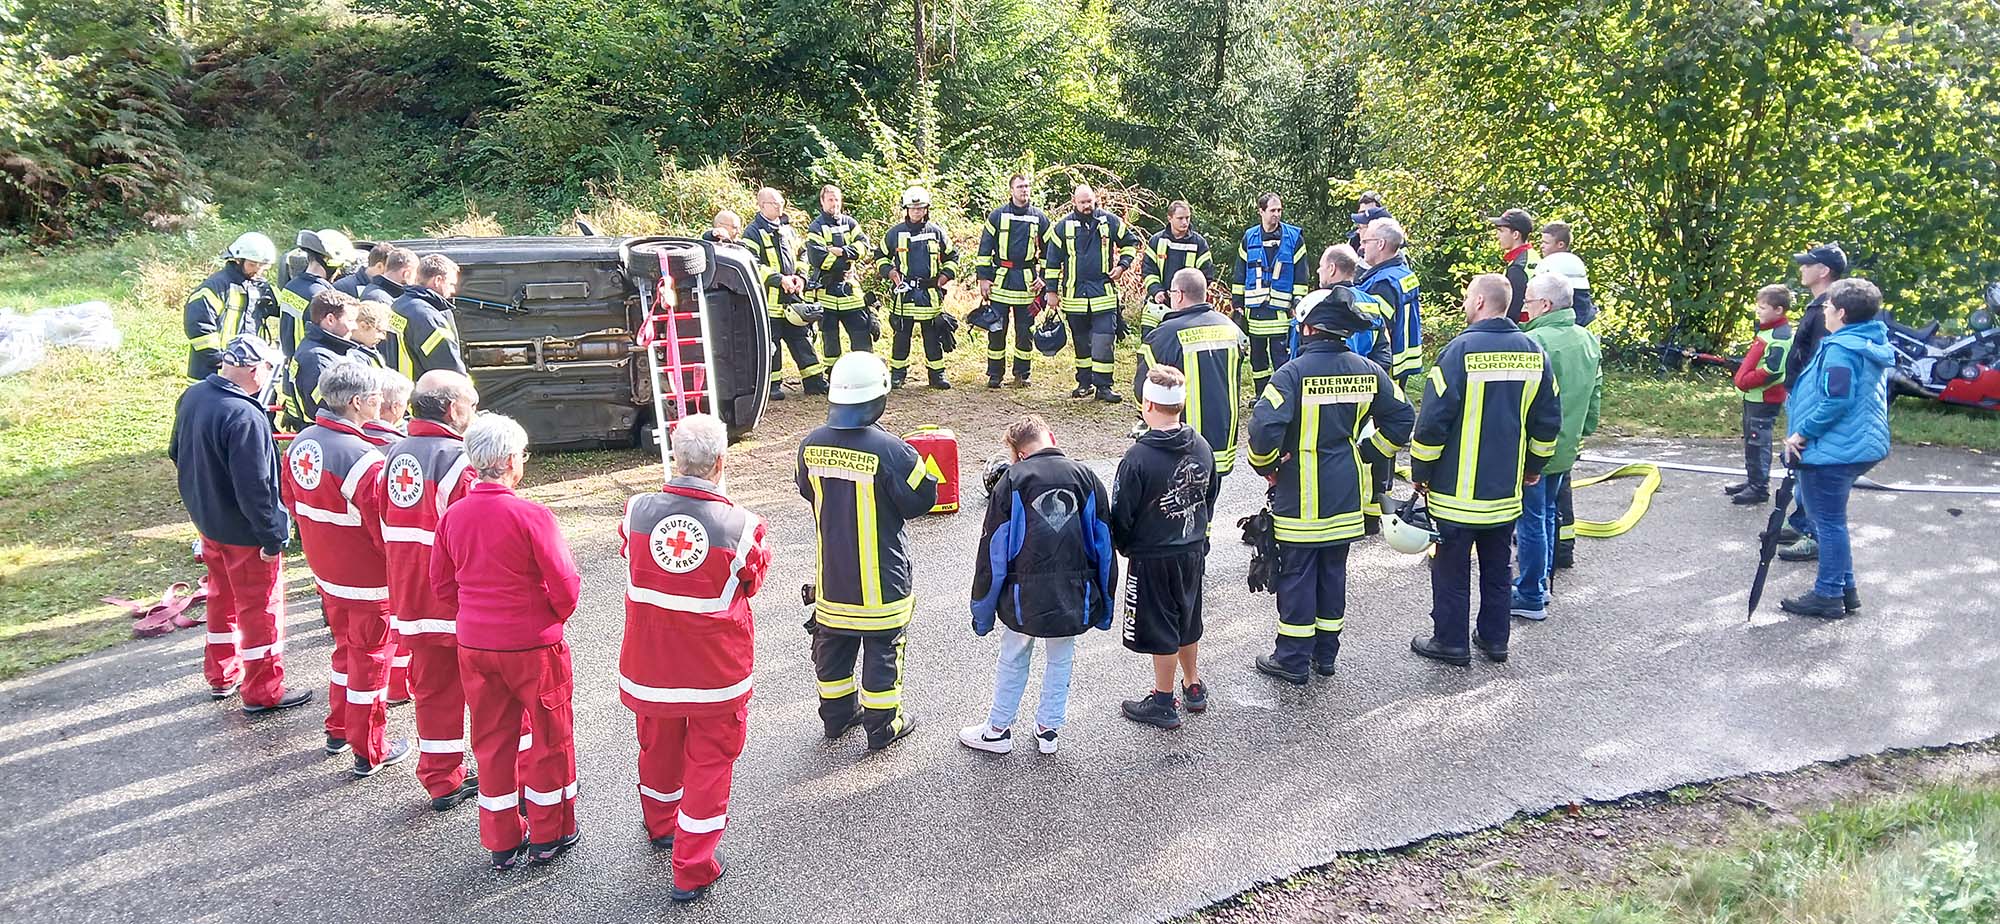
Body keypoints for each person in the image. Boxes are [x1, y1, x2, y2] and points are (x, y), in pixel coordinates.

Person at [617, 414, 771, 902]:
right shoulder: (742, 525)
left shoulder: (636, 511)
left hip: (651, 665)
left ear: (675, 459)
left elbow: (632, 556)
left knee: (658, 750)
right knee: (710, 765)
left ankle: (662, 825)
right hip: (714, 674)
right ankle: (693, 865)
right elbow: (752, 583)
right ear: (722, 462)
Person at [433, 413, 584, 870]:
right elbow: (566, 586)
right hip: (532, 647)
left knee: (492, 741)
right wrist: (547, 618)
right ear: (510, 461)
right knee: (549, 737)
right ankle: (549, 831)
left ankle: (500, 840)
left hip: (476, 646)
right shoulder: (530, 515)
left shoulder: (453, 516)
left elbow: (441, 586)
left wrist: (475, 618)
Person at [1247, 286, 1413, 684]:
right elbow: (1402, 418)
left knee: (1298, 573)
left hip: (1301, 494)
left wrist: (1268, 467)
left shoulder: (1290, 374)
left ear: (1308, 329)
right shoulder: (1368, 370)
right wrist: (1366, 452)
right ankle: (1326, 656)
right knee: (1333, 573)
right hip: (1345, 493)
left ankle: (1291, 658)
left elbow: (1262, 430)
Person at [1408, 274, 1562, 667]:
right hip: (1505, 492)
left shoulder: (1459, 352)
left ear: (1478, 302)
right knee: (1497, 569)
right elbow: (1548, 422)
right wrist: (1533, 467)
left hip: (1455, 493)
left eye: (1466, 298)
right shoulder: (1533, 352)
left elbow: (1431, 423)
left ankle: (1451, 642)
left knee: (1451, 570)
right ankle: (1495, 640)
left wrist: (1420, 472)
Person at [796, 352, 938, 749]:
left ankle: (837, 717)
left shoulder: (809, 445)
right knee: (883, 650)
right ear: (878, 398)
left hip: (832, 581)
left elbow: (806, 489)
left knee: (834, 647)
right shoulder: (894, 451)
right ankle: (883, 726)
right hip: (881, 584)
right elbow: (922, 500)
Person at [169, 334, 313, 713]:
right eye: (269, 370)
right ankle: (263, 690)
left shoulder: (193, 397)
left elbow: (175, 452)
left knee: (221, 599)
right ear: (255, 370)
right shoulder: (245, 415)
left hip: (209, 523)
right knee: (260, 608)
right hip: (245, 534)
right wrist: (272, 536)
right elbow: (259, 487)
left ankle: (221, 674)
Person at [961, 416, 1116, 755]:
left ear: (1017, 455)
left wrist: (983, 612)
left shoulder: (1012, 480)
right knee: (1062, 656)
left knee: (1014, 654)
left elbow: (994, 552)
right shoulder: (1086, 477)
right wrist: (1105, 604)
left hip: (1022, 596)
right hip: (1074, 593)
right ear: (1051, 438)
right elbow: (1103, 545)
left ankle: (998, 730)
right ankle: (1049, 730)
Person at [281, 360, 407, 772]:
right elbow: (381, 528)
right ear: (357, 403)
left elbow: (291, 501)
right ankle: (369, 749)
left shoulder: (302, 442)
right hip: (368, 582)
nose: (380, 403)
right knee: (372, 664)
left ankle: (337, 728)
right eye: (374, 398)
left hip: (326, 574)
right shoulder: (363, 459)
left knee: (345, 654)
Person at [378, 370, 484, 812]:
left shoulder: (390, 453)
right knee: (488, 692)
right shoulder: (459, 460)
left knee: (433, 692)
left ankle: (441, 778)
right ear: (453, 408)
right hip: (454, 599)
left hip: (409, 596)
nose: (474, 413)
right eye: (472, 404)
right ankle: (506, 777)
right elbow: (477, 535)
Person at [1113, 365, 1221, 730]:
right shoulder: (1203, 446)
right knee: (1188, 616)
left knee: (1161, 626)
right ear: (1182, 404)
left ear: (1147, 404)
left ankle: (1162, 700)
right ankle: (1192, 684)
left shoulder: (1137, 458)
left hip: (1153, 555)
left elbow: (1122, 512)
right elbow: (1210, 495)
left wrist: (1125, 547)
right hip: (1191, 549)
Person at [1780, 279, 1893, 619]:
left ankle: (1828, 595)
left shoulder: (1842, 350)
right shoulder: (1866, 342)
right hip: (1858, 446)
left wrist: (1802, 433)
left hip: (1834, 451)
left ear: (1841, 312)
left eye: (1828, 307)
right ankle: (1846, 590)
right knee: (1832, 521)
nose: (1824, 312)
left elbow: (1836, 400)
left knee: (1828, 524)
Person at [1508, 274, 1601, 622]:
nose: (1524, 306)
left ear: (1545, 305)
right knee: (1548, 513)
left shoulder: (1533, 342)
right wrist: (1581, 431)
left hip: (1536, 448)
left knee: (1531, 518)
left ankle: (1531, 593)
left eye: (1529, 300)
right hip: (1567, 445)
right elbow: (1595, 397)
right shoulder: (1588, 340)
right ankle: (1541, 583)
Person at [1311, 244, 1395, 530]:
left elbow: (1318, 352)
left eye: (1322, 266)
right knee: (1371, 447)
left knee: (1333, 449)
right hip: (1372, 384)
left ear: (1332, 268)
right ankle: (1372, 515)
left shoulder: (1326, 303)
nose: (1319, 271)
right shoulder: (1371, 301)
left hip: (1334, 388)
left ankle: (1338, 511)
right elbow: (1383, 346)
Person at [1777, 243, 1851, 562]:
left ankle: (1813, 535)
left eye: (1808, 264)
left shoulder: (1829, 310)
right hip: (1800, 396)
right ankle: (1802, 521)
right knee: (1801, 465)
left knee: (1809, 465)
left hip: (1811, 401)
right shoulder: (1819, 305)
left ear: (1824, 271)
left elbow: (1824, 361)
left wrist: (1809, 403)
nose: (1802, 268)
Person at [1136, 268, 1247, 476]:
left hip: (1180, 447)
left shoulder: (1164, 335)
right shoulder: (1231, 329)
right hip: (1222, 442)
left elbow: (1142, 388)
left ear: (1178, 295)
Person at [1045, 184, 1140, 402]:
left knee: (1104, 340)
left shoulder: (1109, 221)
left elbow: (1130, 243)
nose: (1087, 206)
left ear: (1095, 199)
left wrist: (1123, 265)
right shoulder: (1062, 227)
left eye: (1090, 201)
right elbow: (1051, 262)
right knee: (1081, 342)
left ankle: (1104, 386)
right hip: (1074, 296)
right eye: (1083, 202)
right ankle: (1084, 383)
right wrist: (1051, 291)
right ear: (1074, 202)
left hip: (1103, 294)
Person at [742, 187, 826, 400]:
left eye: (781, 201)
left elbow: (803, 255)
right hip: (769, 302)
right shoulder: (752, 232)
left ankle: (815, 382)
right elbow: (753, 264)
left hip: (794, 298)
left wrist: (801, 277)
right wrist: (780, 280)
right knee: (772, 345)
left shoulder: (788, 229)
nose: (780, 206)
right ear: (762, 205)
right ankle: (772, 386)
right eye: (774, 203)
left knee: (802, 339)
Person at [974, 173, 1053, 387]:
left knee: (1025, 330)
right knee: (996, 329)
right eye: (1020, 186)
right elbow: (984, 249)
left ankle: (1022, 374)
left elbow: (1050, 252)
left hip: (1028, 281)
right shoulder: (997, 216)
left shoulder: (1040, 217)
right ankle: (995, 375)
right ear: (1011, 190)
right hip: (1001, 280)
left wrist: (1044, 278)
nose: (1024, 190)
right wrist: (983, 278)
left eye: (1027, 186)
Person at [879, 186, 961, 389]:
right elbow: (880, 256)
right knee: (901, 336)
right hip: (904, 294)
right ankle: (898, 375)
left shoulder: (936, 232)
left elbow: (952, 256)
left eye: (920, 208)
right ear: (906, 209)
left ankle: (937, 375)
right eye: (912, 208)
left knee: (932, 336)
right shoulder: (895, 233)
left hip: (930, 293)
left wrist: (944, 277)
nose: (916, 211)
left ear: (926, 209)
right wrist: (891, 273)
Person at [1725, 285, 1796, 506]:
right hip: (1753, 397)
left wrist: (1745, 381)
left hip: (1765, 399)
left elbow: (1774, 371)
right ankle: (1753, 480)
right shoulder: (1765, 330)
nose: (1758, 311)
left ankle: (1759, 488)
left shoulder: (1780, 335)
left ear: (1779, 310)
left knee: (1758, 442)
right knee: (1750, 441)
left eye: (1763, 308)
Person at [1231, 193, 1306, 397]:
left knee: (1281, 356)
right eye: (1272, 210)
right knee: (1258, 358)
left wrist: (1298, 301)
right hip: (1255, 311)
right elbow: (1240, 271)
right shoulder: (1250, 237)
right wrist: (1237, 303)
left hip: (1281, 312)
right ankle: (1261, 394)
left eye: (1279, 210)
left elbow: (1301, 274)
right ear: (1261, 211)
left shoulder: (1293, 238)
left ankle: (1284, 394)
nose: (1277, 214)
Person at [184, 232, 280, 382]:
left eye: (262, 266)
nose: (258, 270)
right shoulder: (215, 288)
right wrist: (220, 360)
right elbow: (200, 327)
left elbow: (282, 310)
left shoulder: (260, 286)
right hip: (213, 372)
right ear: (237, 260)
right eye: (252, 264)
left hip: (247, 369)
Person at [281, 290, 370, 430]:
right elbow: (333, 410)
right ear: (330, 320)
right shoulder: (316, 360)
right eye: (351, 320)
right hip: (333, 435)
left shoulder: (334, 350)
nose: (355, 327)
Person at [804, 184, 873, 361]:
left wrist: (841, 252)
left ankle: (864, 372)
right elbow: (818, 258)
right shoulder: (816, 227)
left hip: (850, 290)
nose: (834, 203)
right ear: (822, 201)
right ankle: (833, 375)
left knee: (861, 335)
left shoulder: (850, 223)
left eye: (836, 199)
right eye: (830, 199)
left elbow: (864, 247)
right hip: (826, 292)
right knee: (830, 340)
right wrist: (848, 260)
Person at [1356, 218, 1423, 388]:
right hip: (1402, 359)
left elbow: (1374, 330)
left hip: (1386, 366)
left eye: (1365, 241)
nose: (1362, 247)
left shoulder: (1382, 283)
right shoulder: (1403, 273)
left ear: (1380, 244)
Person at [278, 229, 361, 359]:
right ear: (329, 261)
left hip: (293, 363)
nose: (339, 272)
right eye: (340, 266)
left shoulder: (291, 286)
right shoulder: (321, 297)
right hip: (313, 361)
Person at [1140, 200, 1214, 338]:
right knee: (1149, 341)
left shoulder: (1199, 243)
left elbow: (1206, 275)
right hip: (1158, 304)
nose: (1185, 222)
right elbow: (1148, 270)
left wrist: (1189, 298)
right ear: (1169, 218)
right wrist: (1156, 291)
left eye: (1187, 218)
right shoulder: (1156, 241)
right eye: (1180, 218)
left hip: (1187, 308)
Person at [391, 254, 467, 378]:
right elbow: (447, 369)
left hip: (398, 387)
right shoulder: (427, 317)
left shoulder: (399, 304)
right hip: (420, 391)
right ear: (438, 280)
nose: (453, 291)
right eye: (451, 284)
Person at [1535, 221, 1597, 327]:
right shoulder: (1575, 262)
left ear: (1560, 244)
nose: (1542, 246)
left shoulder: (1553, 265)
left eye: (1546, 243)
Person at [1489, 208, 1537, 321]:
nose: (1497, 236)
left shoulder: (1518, 267)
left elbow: (1512, 311)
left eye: (1501, 231)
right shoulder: (1531, 256)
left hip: (1523, 328)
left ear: (1515, 234)